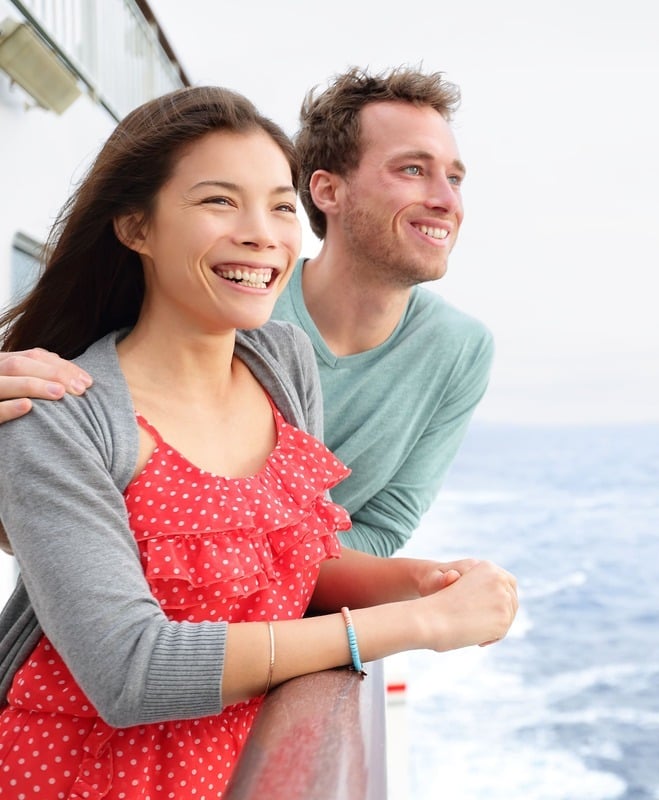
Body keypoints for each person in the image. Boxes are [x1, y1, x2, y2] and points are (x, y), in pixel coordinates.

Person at [0, 86, 517, 798]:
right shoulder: (58, 412)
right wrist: (419, 621)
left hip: (237, 761)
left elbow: (296, 555)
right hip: (83, 775)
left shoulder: (282, 361)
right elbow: (130, 670)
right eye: (219, 201)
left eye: (279, 205)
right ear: (135, 227)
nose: (261, 233)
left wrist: (425, 579)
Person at [0, 66, 492, 557]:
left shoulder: (460, 348)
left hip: (289, 616)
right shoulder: (220, 297)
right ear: (326, 191)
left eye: (454, 178)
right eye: (412, 169)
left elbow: (381, 527)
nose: (447, 200)